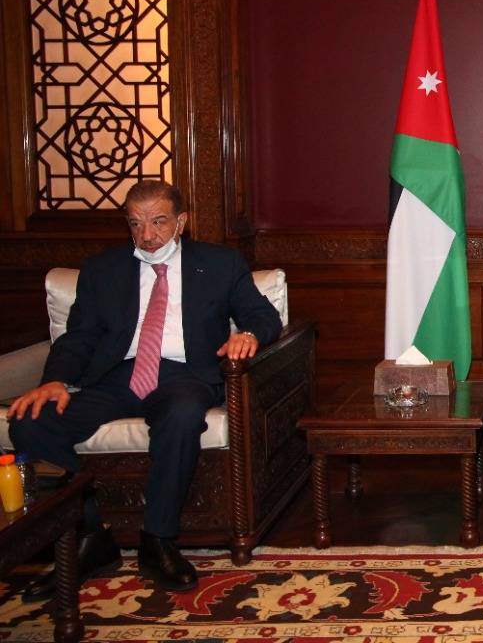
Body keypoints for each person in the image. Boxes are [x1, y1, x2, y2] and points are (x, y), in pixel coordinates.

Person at [7, 180, 282, 597]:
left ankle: (158, 540)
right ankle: (90, 535)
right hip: (116, 377)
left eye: (158, 222)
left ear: (181, 222)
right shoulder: (101, 269)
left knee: (183, 413)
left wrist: (249, 335)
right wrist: (54, 382)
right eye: (136, 224)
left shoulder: (220, 263)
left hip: (185, 375)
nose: (147, 235)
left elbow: (263, 316)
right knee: (31, 421)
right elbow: (79, 337)